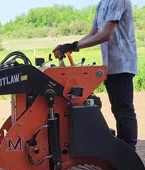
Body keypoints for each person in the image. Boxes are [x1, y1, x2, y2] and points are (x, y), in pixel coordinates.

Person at [53, 0, 138, 150]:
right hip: (109, 66)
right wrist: (72, 46)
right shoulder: (102, 3)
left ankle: (129, 153)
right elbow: (94, 33)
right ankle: (122, 149)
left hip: (122, 64)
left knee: (124, 110)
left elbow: (106, 34)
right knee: (116, 109)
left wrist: (75, 46)